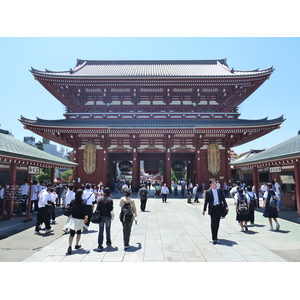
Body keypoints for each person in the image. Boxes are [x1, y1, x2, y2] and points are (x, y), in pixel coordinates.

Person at [202, 178, 229, 244]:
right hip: (213, 209)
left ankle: (216, 235)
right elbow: (206, 202)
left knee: (217, 222)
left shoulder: (219, 190)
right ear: (210, 184)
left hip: (219, 208)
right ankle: (214, 238)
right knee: (213, 223)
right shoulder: (208, 192)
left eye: (215, 182)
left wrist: (226, 206)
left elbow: (223, 199)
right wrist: (204, 210)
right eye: (213, 182)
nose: (215, 183)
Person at [65, 189, 88, 254]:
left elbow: (69, 207)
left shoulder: (73, 201)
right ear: (81, 195)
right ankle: (77, 244)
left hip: (73, 218)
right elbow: (85, 211)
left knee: (72, 233)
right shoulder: (83, 202)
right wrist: (86, 218)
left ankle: (69, 246)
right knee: (79, 232)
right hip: (80, 219)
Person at [97, 187, 114, 252]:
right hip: (108, 216)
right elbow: (111, 209)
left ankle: (100, 245)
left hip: (101, 216)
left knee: (101, 230)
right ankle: (108, 241)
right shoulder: (110, 200)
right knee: (108, 229)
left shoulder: (100, 199)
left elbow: (98, 208)